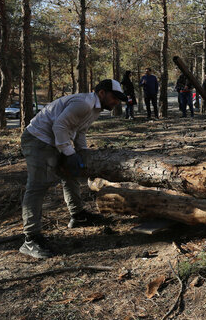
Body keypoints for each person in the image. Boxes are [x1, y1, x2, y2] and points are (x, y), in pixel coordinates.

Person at [18, 79, 126, 259]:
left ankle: (78, 216)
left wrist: (81, 152)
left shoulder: (95, 109)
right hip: (38, 139)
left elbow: (80, 131)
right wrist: (69, 152)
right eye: (114, 97)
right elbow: (59, 126)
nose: (117, 102)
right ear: (102, 93)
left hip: (54, 140)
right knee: (38, 186)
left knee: (70, 175)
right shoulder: (84, 103)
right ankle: (30, 239)